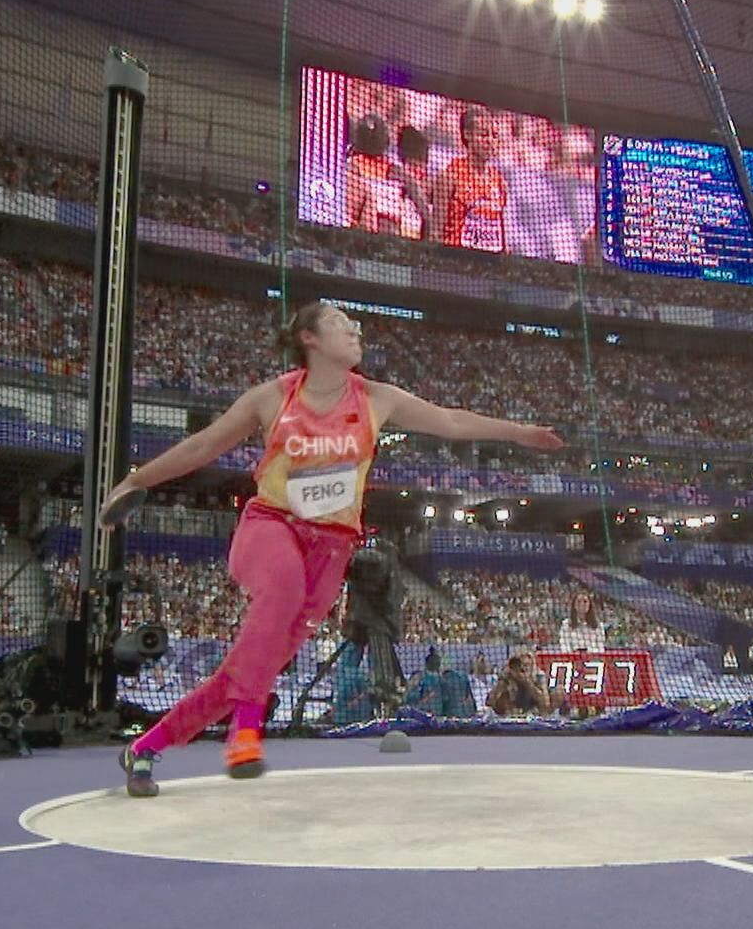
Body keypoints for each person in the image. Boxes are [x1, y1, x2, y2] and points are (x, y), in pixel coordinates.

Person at [105, 302, 563, 797]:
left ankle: (145, 748)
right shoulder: (270, 398)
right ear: (311, 338)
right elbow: (202, 446)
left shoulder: (376, 399)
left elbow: (449, 421)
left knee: (245, 670)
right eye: (342, 323)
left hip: (331, 551)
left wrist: (519, 433)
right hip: (271, 527)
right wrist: (135, 480)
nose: (355, 330)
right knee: (279, 593)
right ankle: (245, 729)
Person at [432, 107, 507, 253]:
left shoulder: (499, 182)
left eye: (494, 136)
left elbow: (502, 238)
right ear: (467, 135)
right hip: (456, 261)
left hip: (488, 266)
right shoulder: (450, 176)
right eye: (484, 135)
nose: (490, 142)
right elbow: (436, 233)